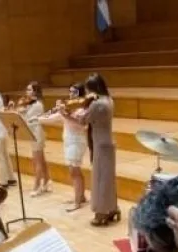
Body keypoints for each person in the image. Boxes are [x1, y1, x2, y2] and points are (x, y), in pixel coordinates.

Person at [60, 73, 117, 226]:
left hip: (100, 144)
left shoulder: (97, 104)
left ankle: (101, 212)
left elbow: (83, 121)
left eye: (88, 89)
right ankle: (112, 208)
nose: (87, 93)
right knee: (107, 178)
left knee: (100, 178)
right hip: (107, 141)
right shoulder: (109, 100)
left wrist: (65, 113)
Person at [39, 83, 88, 211]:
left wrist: (64, 113)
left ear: (80, 93)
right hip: (68, 142)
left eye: (74, 92)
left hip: (77, 142)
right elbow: (51, 118)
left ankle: (77, 202)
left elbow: (80, 124)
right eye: (70, 91)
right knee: (75, 171)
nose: (71, 94)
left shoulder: (82, 108)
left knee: (74, 171)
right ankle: (81, 196)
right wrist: (35, 119)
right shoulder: (67, 107)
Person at [10, 81, 50, 196]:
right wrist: (15, 108)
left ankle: (37, 186)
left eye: (29, 90)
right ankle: (47, 181)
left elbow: (26, 119)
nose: (27, 92)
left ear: (35, 91)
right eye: (27, 89)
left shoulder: (37, 105)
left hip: (36, 133)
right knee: (41, 159)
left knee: (37, 161)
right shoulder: (31, 104)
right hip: (33, 132)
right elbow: (23, 115)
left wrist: (19, 110)